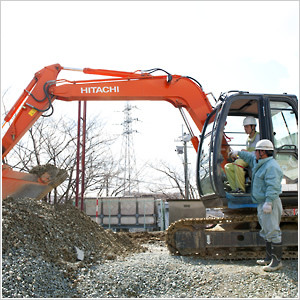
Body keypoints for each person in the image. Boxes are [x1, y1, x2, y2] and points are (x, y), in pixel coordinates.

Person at [232, 139, 283, 272]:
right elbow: (249, 156)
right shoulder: (259, 162)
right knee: (266, 231)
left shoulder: (271, 166)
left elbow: (273, 186)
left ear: (263, 152)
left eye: (257, 151)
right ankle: (268, 258)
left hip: (269, 202)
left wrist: (269, 201)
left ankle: (276, 262)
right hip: (262, 202)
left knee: (272, 231)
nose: (254, 153)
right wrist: (238, 153)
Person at [225, 116, 260, 192]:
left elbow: (260, 153)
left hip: (255, 160)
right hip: (248, 159)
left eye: (247, 127)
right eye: (244, 127)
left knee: (238, 163)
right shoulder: (248, 140)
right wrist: (238, 156)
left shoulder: (259, 137)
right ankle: (235, 189)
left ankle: (241, 189)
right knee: (228, 167)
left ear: (253, 126)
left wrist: (246, 153)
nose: (245, 129)